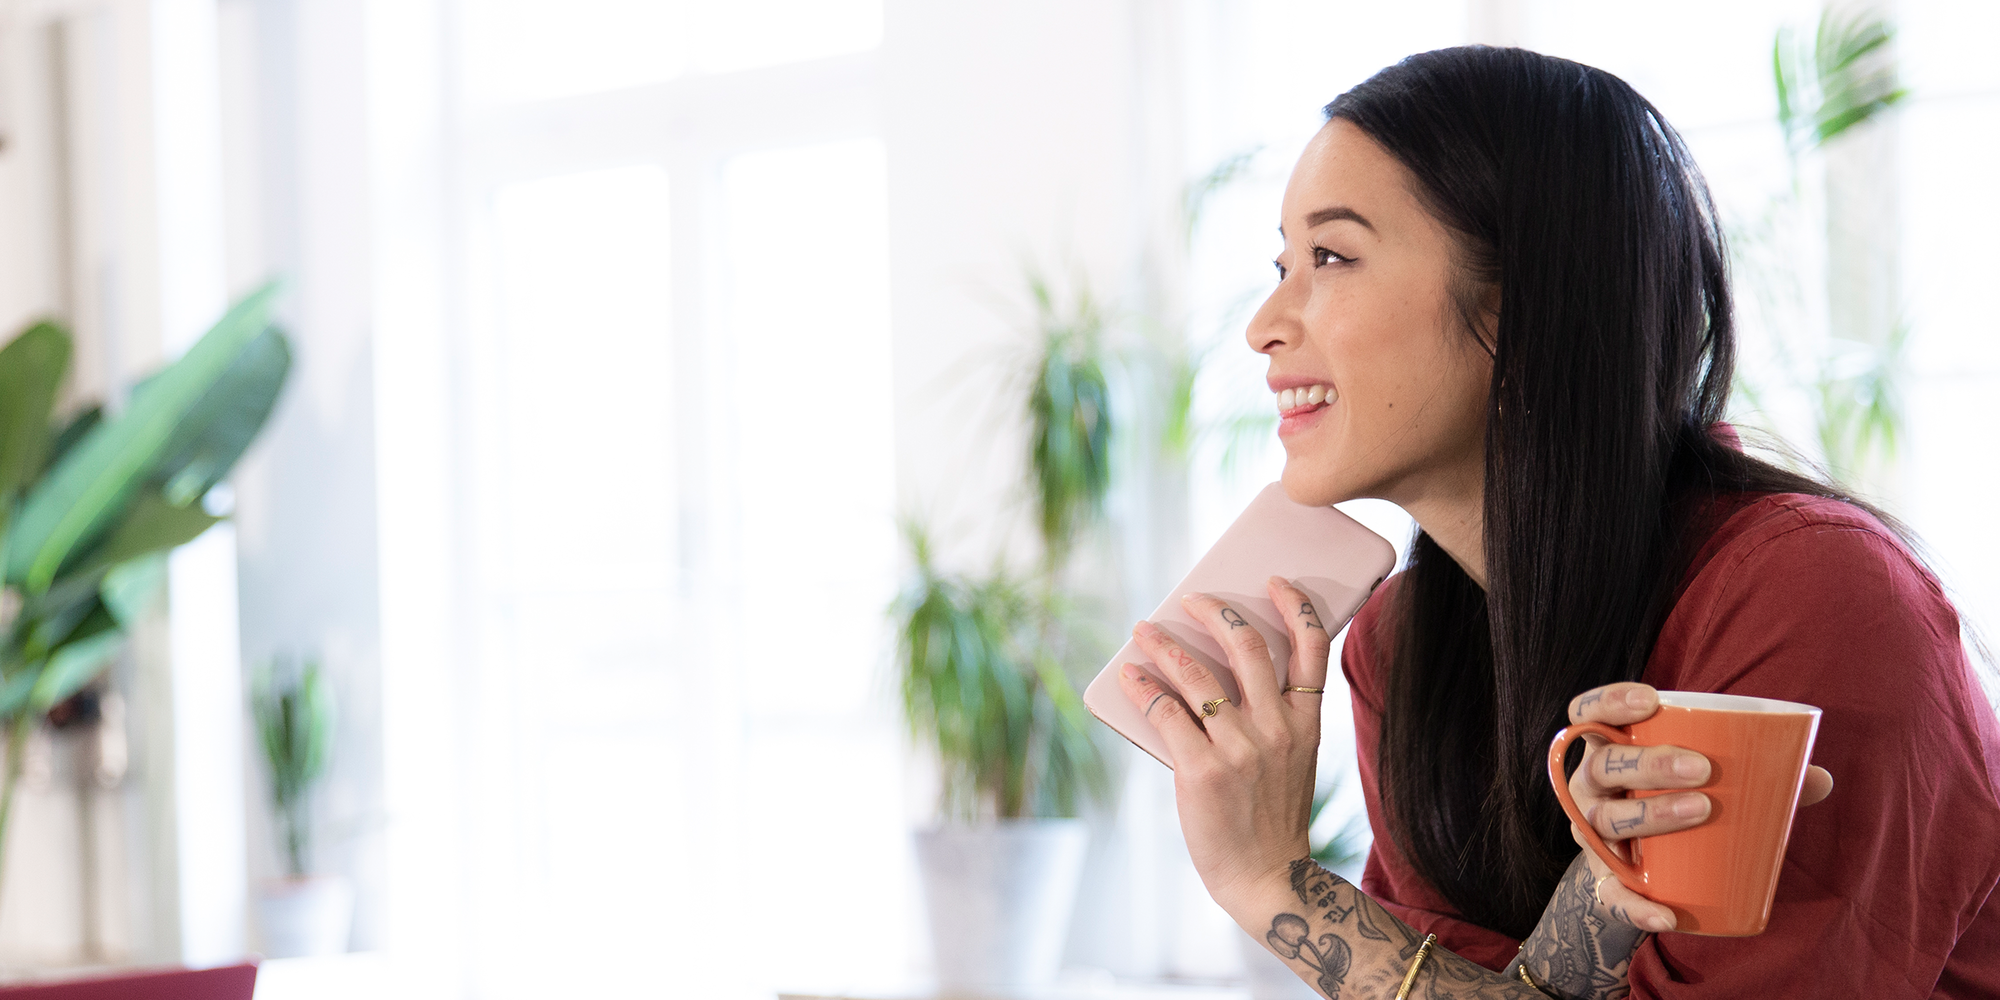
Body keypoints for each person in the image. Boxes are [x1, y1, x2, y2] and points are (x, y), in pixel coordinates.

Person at [1115, 46, 2000, 999]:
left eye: (1330, 257)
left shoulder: (1816, 598)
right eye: (1283, 262)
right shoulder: (1399, 645)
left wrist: (1269, 885)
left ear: (1518, 303)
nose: (1264, 324)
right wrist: (1598, 909)